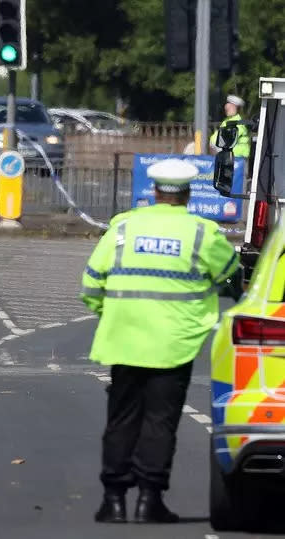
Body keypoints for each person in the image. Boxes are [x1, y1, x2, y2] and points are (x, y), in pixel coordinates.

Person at [80, 159, 239, 524]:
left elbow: (90, 284)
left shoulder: (122, 228)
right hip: (174, 344)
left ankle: (113, 501)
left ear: (154, 192)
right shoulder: (202, 232)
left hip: (124, 339)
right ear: (187, 194)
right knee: (160, 422)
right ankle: (149, 500)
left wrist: (111, 313)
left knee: (121, 419)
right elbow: (231, 273)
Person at [210, 94, 250, 159]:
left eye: (230, 107)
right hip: (230, 156)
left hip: (238, 157)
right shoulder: (227, 120)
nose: (226, 109)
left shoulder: (239, 123)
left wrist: (213, 142)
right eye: (227, 107)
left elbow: (225, 138)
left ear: (236, 108)